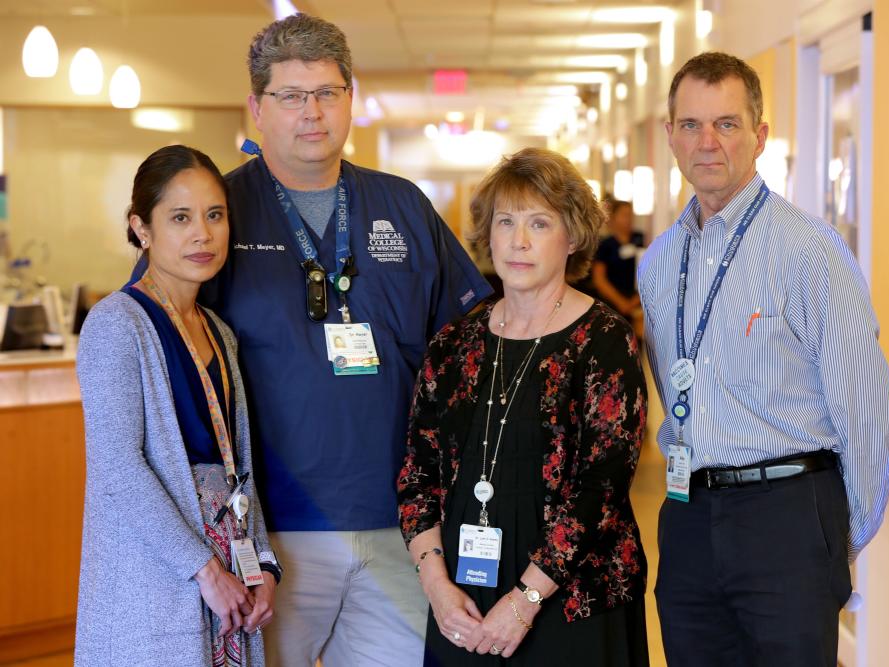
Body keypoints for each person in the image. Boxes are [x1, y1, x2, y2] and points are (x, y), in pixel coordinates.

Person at [186, 13, 492, 667]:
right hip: (269, 533)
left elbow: (470, 347)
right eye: (291, 96)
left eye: (327, 92)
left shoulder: (402, 206)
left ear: (350, 98)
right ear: (256, 107)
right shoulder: (216, 212)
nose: (312, 112)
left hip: (401, 525)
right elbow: (167, 354)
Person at [637, 51, 889, 666]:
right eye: (691, 125)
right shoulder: (659, 264)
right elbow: (672, 383)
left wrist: (835, 537)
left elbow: (866, 408)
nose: (707, 142)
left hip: (786, 517)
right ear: (669, 136)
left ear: (759, 137)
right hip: (688, 519)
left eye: (726, 124)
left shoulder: (810, 250)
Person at [399, 147, 649, 666]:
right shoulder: (453, 344)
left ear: (574, 235)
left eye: (539, 223)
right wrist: (436, 586)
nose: (518, 240)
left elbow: (600, 489)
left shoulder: (604, 341)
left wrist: (526, 599)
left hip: (569, 601)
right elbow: (416, 474)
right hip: (464, 598)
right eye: (505, 221)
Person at [75, 145, 278, 666]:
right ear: (142, 228)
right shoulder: (116, 324)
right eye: (181, 218)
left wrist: (263, 569)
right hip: (162, 575)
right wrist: (204, 571)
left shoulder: (220, 332)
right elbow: (118, 467)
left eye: (215, 215)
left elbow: (240, 471)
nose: (203, 234)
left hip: (230, 578)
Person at [592, 200, 644, 317]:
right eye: (624, 215)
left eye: (631, 215)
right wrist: (622, 303)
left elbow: (650, 271)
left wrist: (635, 301)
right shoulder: (606, 245)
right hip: (612, 302)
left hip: (637, 300)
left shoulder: (640, 239)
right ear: (613, 218)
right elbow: (599, 280)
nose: (629, 219)